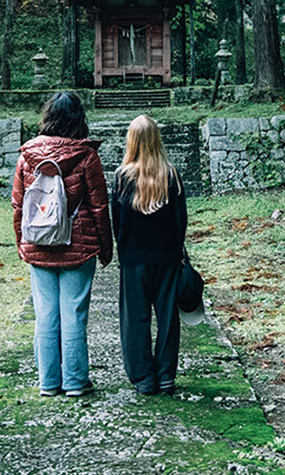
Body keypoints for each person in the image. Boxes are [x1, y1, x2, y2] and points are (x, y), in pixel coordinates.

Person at [11, 91, 112, 398]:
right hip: (77, 247)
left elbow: (18, 205)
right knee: (73, 313)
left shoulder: (28, 154)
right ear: (78, 118)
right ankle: (75, 381)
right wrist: (105, 247)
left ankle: (48, 381)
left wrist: (21, 242)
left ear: (48, 117)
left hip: (39, 243)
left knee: (45, 314)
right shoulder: (86, 156)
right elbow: (99, 207)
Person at [111, 114, 187, 396]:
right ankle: (166, 374)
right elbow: (181, 219)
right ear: (157, 140)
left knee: (135, 318)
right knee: (168, 316)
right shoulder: (171, 175)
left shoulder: (122, 178)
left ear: (131, 141)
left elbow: (117, 220)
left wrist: (122, 248)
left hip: (134, 258)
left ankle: (143, 375)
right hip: (166, 256)